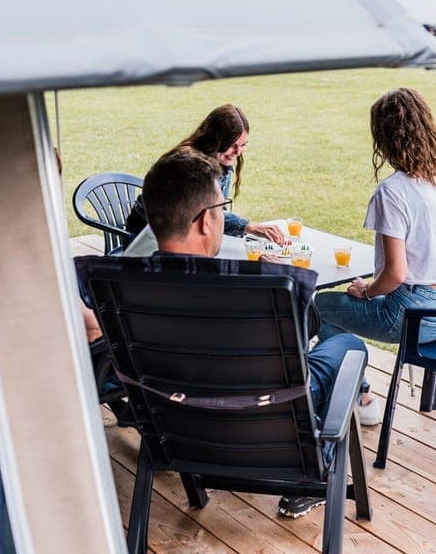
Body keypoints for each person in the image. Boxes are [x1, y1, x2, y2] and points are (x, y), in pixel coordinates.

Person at [142, 148, 366, 519]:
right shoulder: (261, 292)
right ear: (205, 221)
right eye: (221, 208)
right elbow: (301, 347)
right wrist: (278, 280)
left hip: (178, 434)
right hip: (268, 429)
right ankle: (317, 471)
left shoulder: (121, 290)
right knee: (348, 347)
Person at [315, 88, 436, 425]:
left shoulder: (393, 191)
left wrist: (366, 291)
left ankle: (359, 395)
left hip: (414, 315)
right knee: (336, 307)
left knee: (319, 307)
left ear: (383, 138)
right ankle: (347, 387)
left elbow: (396, 273)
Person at [125, 103, 288, 245]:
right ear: (215, 140)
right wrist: (249, 226)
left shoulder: (223, 159)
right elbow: (205, 213)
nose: (238, 152)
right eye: (232, 145)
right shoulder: (190, 166)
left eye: (243, 145)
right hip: (148, 238)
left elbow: (216, 210)